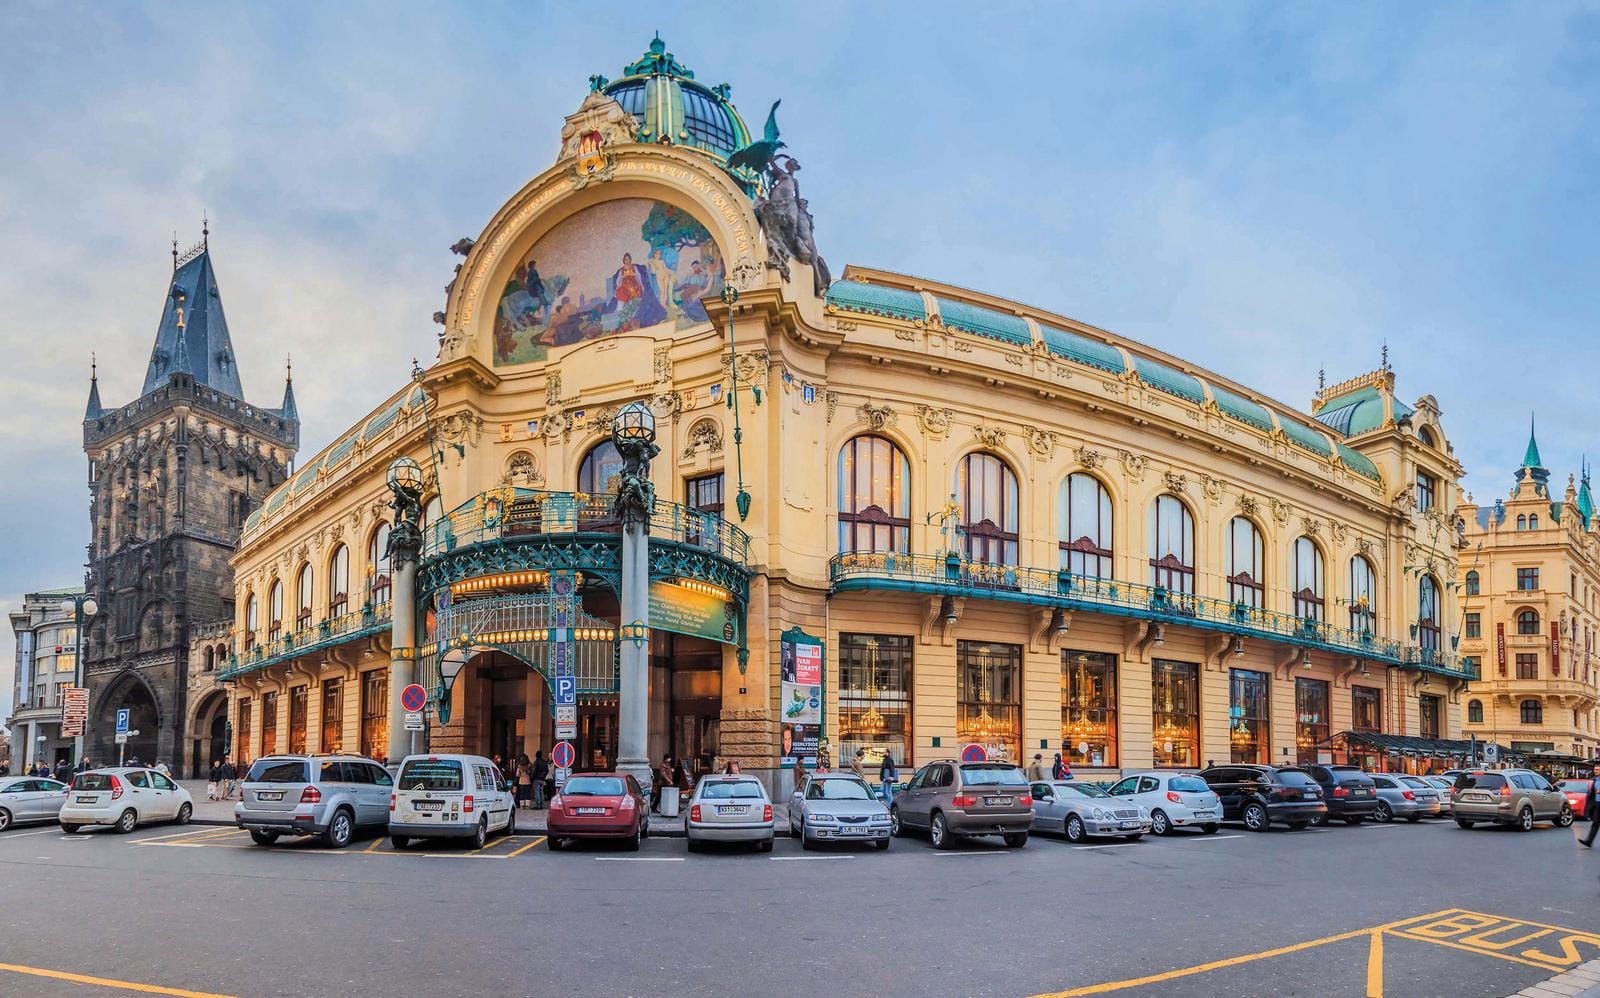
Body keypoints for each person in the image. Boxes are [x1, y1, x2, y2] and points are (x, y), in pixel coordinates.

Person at [1580, 765, 1600, 847]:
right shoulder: (1595, 780)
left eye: (1598, 769)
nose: (1595, 771)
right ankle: (1589, 841)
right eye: (1595, 769)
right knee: (1595, 823)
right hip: (1597, 804)